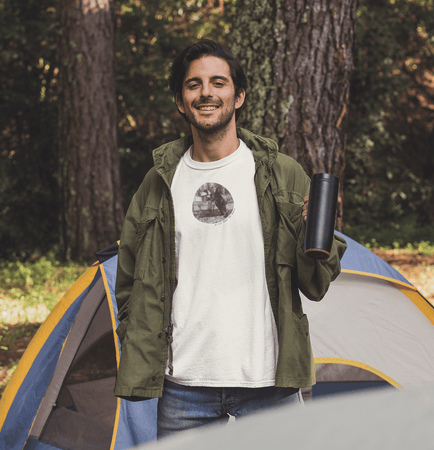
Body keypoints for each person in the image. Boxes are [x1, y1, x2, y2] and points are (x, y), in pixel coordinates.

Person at [114, 39, 347, 439]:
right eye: (194, 85)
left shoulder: (283, 174)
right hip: (184, 388)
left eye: (218, 82)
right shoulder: (157, 183)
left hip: (270, 385)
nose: (206, 92)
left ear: (238, 97)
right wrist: (139, 341)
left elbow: (316, 283)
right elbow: (129, 280)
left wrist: (316, 234)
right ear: (180, 101)